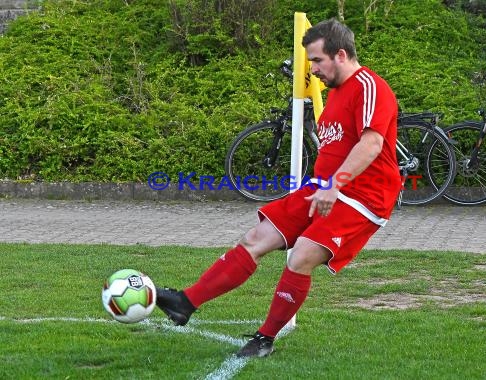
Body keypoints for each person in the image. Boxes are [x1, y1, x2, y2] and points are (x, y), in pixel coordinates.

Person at [155, 18, 401, 358]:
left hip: (364, 197)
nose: (312, 68)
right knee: (254, 239)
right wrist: (325, 183)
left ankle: (265, 339)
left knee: (300, 256)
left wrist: (335, 183)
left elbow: (372, 144)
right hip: (322, 188)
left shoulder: (370, 86)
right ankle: (185, 302)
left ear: (340, 55)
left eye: (317, 60)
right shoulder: (336, 94)